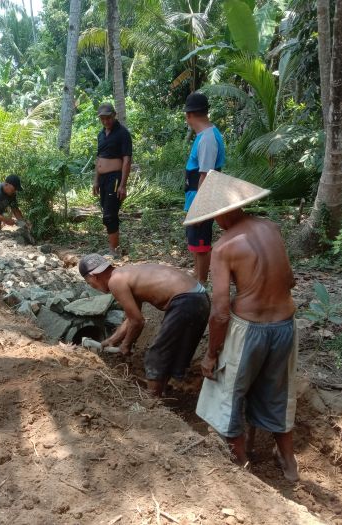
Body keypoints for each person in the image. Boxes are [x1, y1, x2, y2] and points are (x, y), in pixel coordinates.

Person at [186, 170, 299, 482]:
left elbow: (221, 312)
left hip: (249, 329)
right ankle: (288, 461)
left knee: (228, 393)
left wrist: (211, 355)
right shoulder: (271, 228)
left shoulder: (224, 248)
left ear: (220, 214)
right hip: (286, 325)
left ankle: (240, 459)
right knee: (278, 390)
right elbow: (290, 279)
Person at [78, 254, 210, 397]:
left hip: (186, 301)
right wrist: (113, 340)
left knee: (156, 355)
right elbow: (131, 318)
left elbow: (138, 321)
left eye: (90, 284)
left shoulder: (115, 281)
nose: (94, 287)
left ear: (93, 276)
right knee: (169, 352)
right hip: (199, 298)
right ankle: (161, 394)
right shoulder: (125, 274)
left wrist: (126, 344)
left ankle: (151, 401)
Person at [183, 93, 225, 284]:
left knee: (201, 243)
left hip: (202, 198)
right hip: (194, 196)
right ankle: (196, 275)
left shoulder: (208, 138)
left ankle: (201, 282)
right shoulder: (205, 135)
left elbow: (206, 176)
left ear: (189, 115)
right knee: (194, 240)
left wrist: (200, 209)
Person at [94, 103, 132, 256]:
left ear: (114, 115)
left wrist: (123, 185)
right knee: (106, 211)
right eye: (102, 118)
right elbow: (99, 159)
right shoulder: (101, 134)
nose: (105, 121)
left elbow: (127, 160)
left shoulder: (122, 133)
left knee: (110, 214)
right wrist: (96, 180)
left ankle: (114, 250)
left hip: (115, 178)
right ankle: (113, 247)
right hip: (102, 179)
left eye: (108, 118)